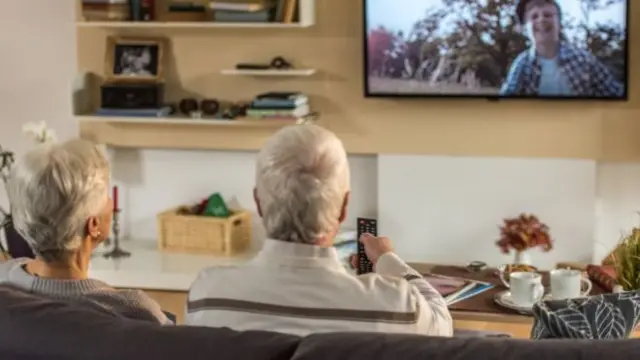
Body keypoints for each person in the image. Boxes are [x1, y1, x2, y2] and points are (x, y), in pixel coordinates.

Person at [186, 124, 453, 336]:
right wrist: (388, 259)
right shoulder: (397, 306)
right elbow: (442, 321)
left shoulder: (207, 294)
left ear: (259, 203)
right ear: (344, 207)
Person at [0, 139, 172, 324]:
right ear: (93, 225)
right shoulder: (133, 311)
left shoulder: (5, 281)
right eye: (106, 196)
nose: (111, 203)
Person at [500, 0, 623, 97]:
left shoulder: (584, 60)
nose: (541, 19)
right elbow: (505, 102)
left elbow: (615, 93)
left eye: (547, 15)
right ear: (525, 28)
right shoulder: (521, 64)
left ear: (560, 23)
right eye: (534, 16)